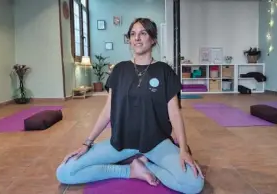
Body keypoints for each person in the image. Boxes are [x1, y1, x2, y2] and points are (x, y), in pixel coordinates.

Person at [56, 17, 204, 194]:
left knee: (193, 183)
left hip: (156, 143)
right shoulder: (119, 70)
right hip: (121, 143)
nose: (137, 38)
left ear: (153, 39)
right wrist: (87, 143)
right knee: (65, 172)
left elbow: (175, 114)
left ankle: (147, 164)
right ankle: (130, 170)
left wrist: (183, 150)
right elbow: (107, 111)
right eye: (133, 34)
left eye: (143, 33)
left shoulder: (164, 71)